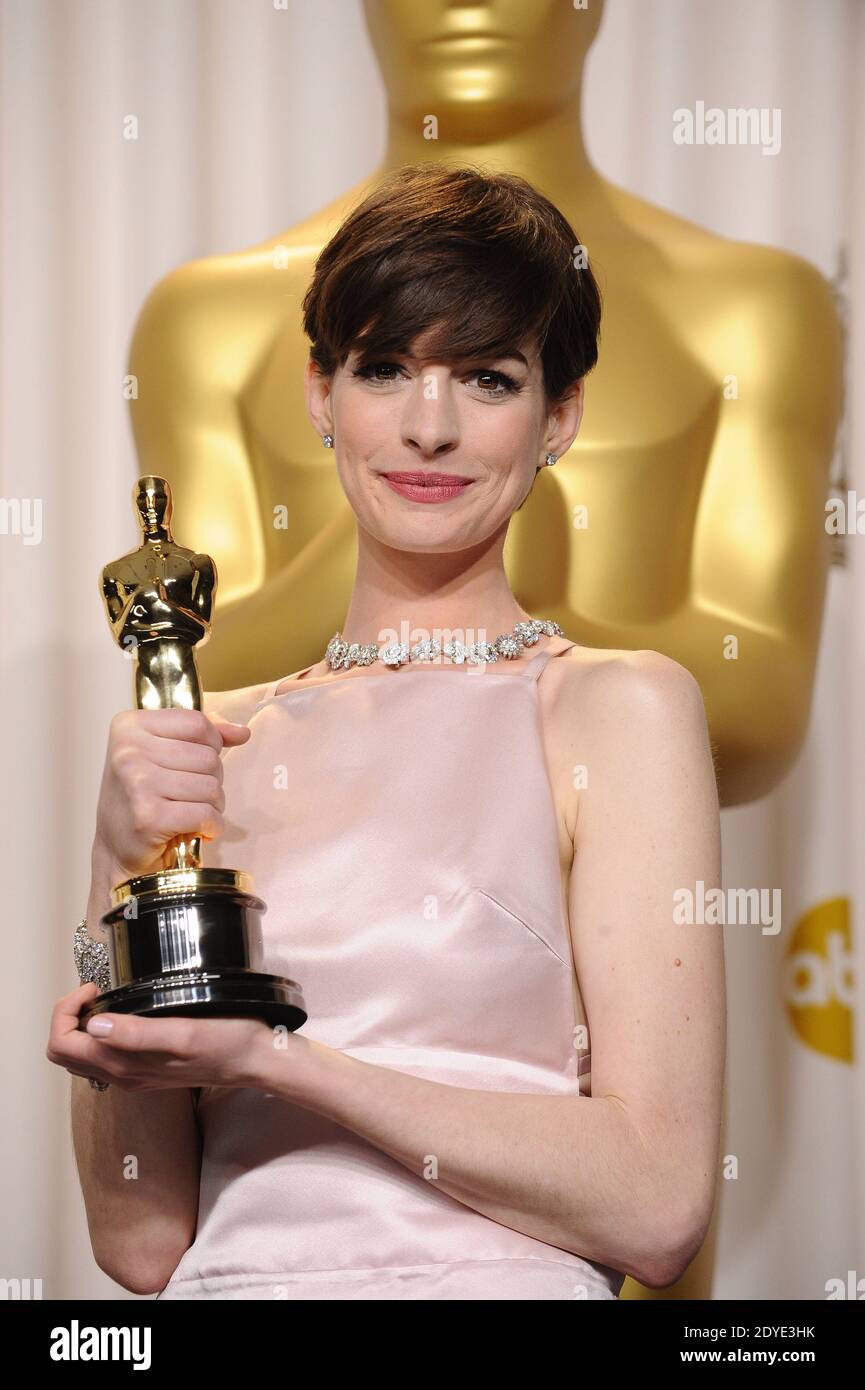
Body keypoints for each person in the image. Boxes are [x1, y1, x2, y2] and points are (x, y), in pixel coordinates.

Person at [48, 164, 725, 1301]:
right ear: (321, 393)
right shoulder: (206, 739)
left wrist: (276, 1060)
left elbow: (658, 1207)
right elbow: (140, 1242)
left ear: (559, 416)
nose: (428, 427)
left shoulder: (615, 707)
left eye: (487, 378)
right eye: (383, 368)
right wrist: (114, 869)